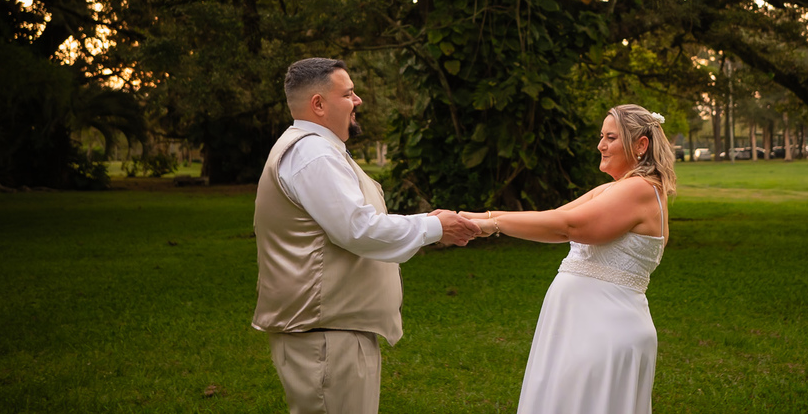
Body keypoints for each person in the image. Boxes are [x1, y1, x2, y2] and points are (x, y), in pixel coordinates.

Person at [252, 58, 480, 414]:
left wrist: (427, 223)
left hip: (332, 332)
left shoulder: (314, 149)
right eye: (348, 94)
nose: (357, 101)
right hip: (326, 338)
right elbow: (357, 229)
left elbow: (354, 223)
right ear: (318, 104)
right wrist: (436, 227)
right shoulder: (313, 153)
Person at [462, 104, 676, 414]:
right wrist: (472, 218)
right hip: (582, 327)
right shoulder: (616, 189)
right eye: (602, 136)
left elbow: (569, 227)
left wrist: (493, 225)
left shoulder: (639, 189)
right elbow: (554, 216)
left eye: (611, 138)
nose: (600, 145)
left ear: (641, 145)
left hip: (603, 331)